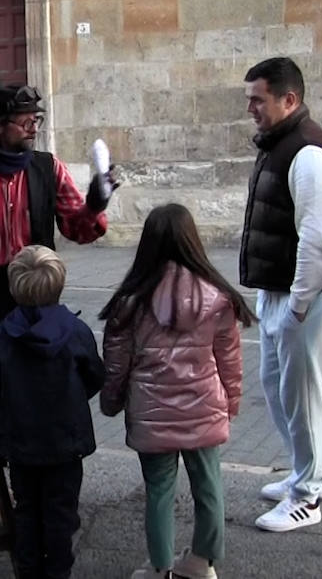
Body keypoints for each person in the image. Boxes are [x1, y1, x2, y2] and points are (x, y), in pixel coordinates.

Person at [99, 204, 253, 579]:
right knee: (208, 485)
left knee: (159, 492)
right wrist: (230, 402)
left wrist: (112, 401)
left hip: (151, 412)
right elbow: (229, 359)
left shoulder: (131, 301)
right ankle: (203, 561)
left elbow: (117, 364)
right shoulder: (218, 298)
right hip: (204, 407)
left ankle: (160, 567)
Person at [239, 56, 322, 533]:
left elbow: (318, 240)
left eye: (257, 100)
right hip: (279, 288)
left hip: (305, 293)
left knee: (302, 392)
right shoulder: (281, 144)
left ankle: (307, 495)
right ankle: (309, 471)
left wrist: (299, 306)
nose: (251, 109)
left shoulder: (309, 153)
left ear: (289, 99)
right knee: (278, 385)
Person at [0, 84, 114, 343]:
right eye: (25, 122)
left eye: (36, 120)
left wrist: (95, 205)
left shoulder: (50, 167)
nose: (34, 128)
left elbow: (76, 229)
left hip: (40, 294)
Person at [0, 245, 104, 579]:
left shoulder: (2, 335)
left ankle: (28, 571)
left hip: (21, 443)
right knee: (61, 514)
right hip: (65, 442)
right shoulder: (76, 333)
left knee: (27, 510)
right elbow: (95, 376)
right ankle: (58, 572)